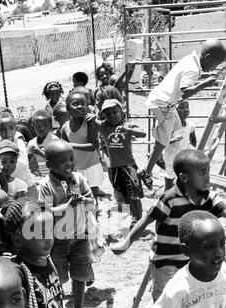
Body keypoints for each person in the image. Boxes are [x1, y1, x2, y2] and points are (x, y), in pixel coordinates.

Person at [111, 149, 226, 308]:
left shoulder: (209, 197)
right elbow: (147, 220)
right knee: (164, 304)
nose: (208, 176)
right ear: (184, 177)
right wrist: (127, 242)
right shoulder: (169, 198)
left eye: (207, 170)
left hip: (192, 261)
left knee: (179, 301)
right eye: (203, 172)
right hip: (165, 260)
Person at [140, 39, 226, 190]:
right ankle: (146, 171)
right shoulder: (193, 70)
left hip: (166, 103)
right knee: (162, 141)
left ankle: (159, 154)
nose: (215, 67)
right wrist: (205, 84)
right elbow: (184, 92)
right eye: (216, 64)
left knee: (178, 131)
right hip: (162, 104)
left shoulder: (191, 60)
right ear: (208, 58)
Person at [38, 139, 95, 308]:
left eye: (71, 159)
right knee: (58, 280)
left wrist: (83, 201)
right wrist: (66, 205)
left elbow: (91, 201)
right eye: (63, 161)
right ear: (49, 165)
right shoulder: (46, 185)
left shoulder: (79, 180)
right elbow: (44, 212)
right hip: (57, 241)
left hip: (79, 236)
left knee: (80, 275)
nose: (69, 163)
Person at [92, 98, 146, 225]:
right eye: (108, 114)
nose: (112, 115)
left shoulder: (127, 125)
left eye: (115, 112)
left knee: (134, 196)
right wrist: (91, 112)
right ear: (104, 116)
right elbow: (92, 120)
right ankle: (131, 219)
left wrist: (128, 131)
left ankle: (139, 221)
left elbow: (143, 134)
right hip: (114, 168)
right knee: (122, 196)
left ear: (121, 112)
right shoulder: (104, 127)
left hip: (129, 167)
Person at [62, 90, 104, 205]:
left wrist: (72, 145)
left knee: (92, 199)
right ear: (68, 108)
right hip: (76, 168)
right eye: (75, 104)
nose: (80, 106)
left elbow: (93, 146)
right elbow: (65, 151)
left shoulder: (89, 122)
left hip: (91, 165)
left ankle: (94, 221)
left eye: (83, 104)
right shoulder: (65, 127)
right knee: (78, 198)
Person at [0, 110, 36, 191]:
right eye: (3, 130)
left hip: (28, 185)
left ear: (15, 129)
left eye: (11, 128)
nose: (8, 132)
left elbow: (23, 165)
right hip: (10, 189)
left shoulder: (19, 143)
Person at [163, 99, 197, 190]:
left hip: (183, 159)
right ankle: (165, 201)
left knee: (183, 182)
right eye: (181, 108)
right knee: (169, 183)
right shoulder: (171, 125)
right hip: (171, 159)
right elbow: (162, 141)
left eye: (187, 107)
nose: (186, 110)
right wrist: (172, 139)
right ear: (173, 111)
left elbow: (193, 139)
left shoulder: (190, 125)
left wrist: (196, 146)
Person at [27, 110, 58, 178]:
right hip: (40, 178)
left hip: (54, 176)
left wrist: (39, 153)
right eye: (38, 126)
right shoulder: (32, 143)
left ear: (50, 126)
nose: (42, 128)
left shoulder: (55, 141)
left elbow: (57, 160)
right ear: (33, 128)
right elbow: (31, 163)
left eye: (45, 125)